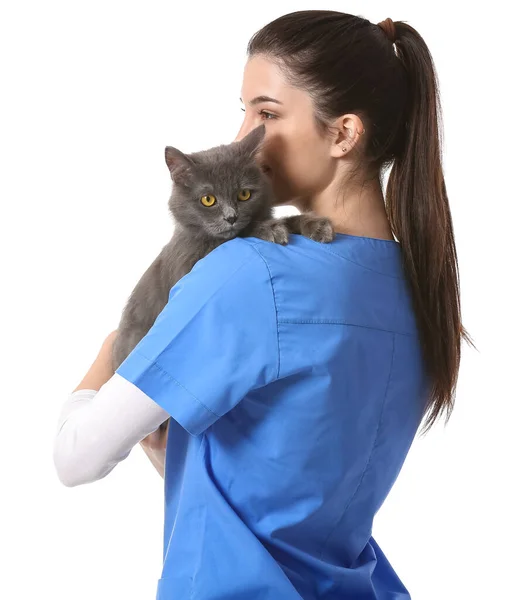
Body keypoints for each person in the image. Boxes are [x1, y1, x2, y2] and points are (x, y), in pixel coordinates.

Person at [53, 10, 470, 600]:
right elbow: (284, 490)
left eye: (267, 112)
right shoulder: (416, 285)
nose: (244, 133)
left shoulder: (251, 273)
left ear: (344, 133)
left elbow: (76, 458)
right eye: (244, 109)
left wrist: (112, 352)